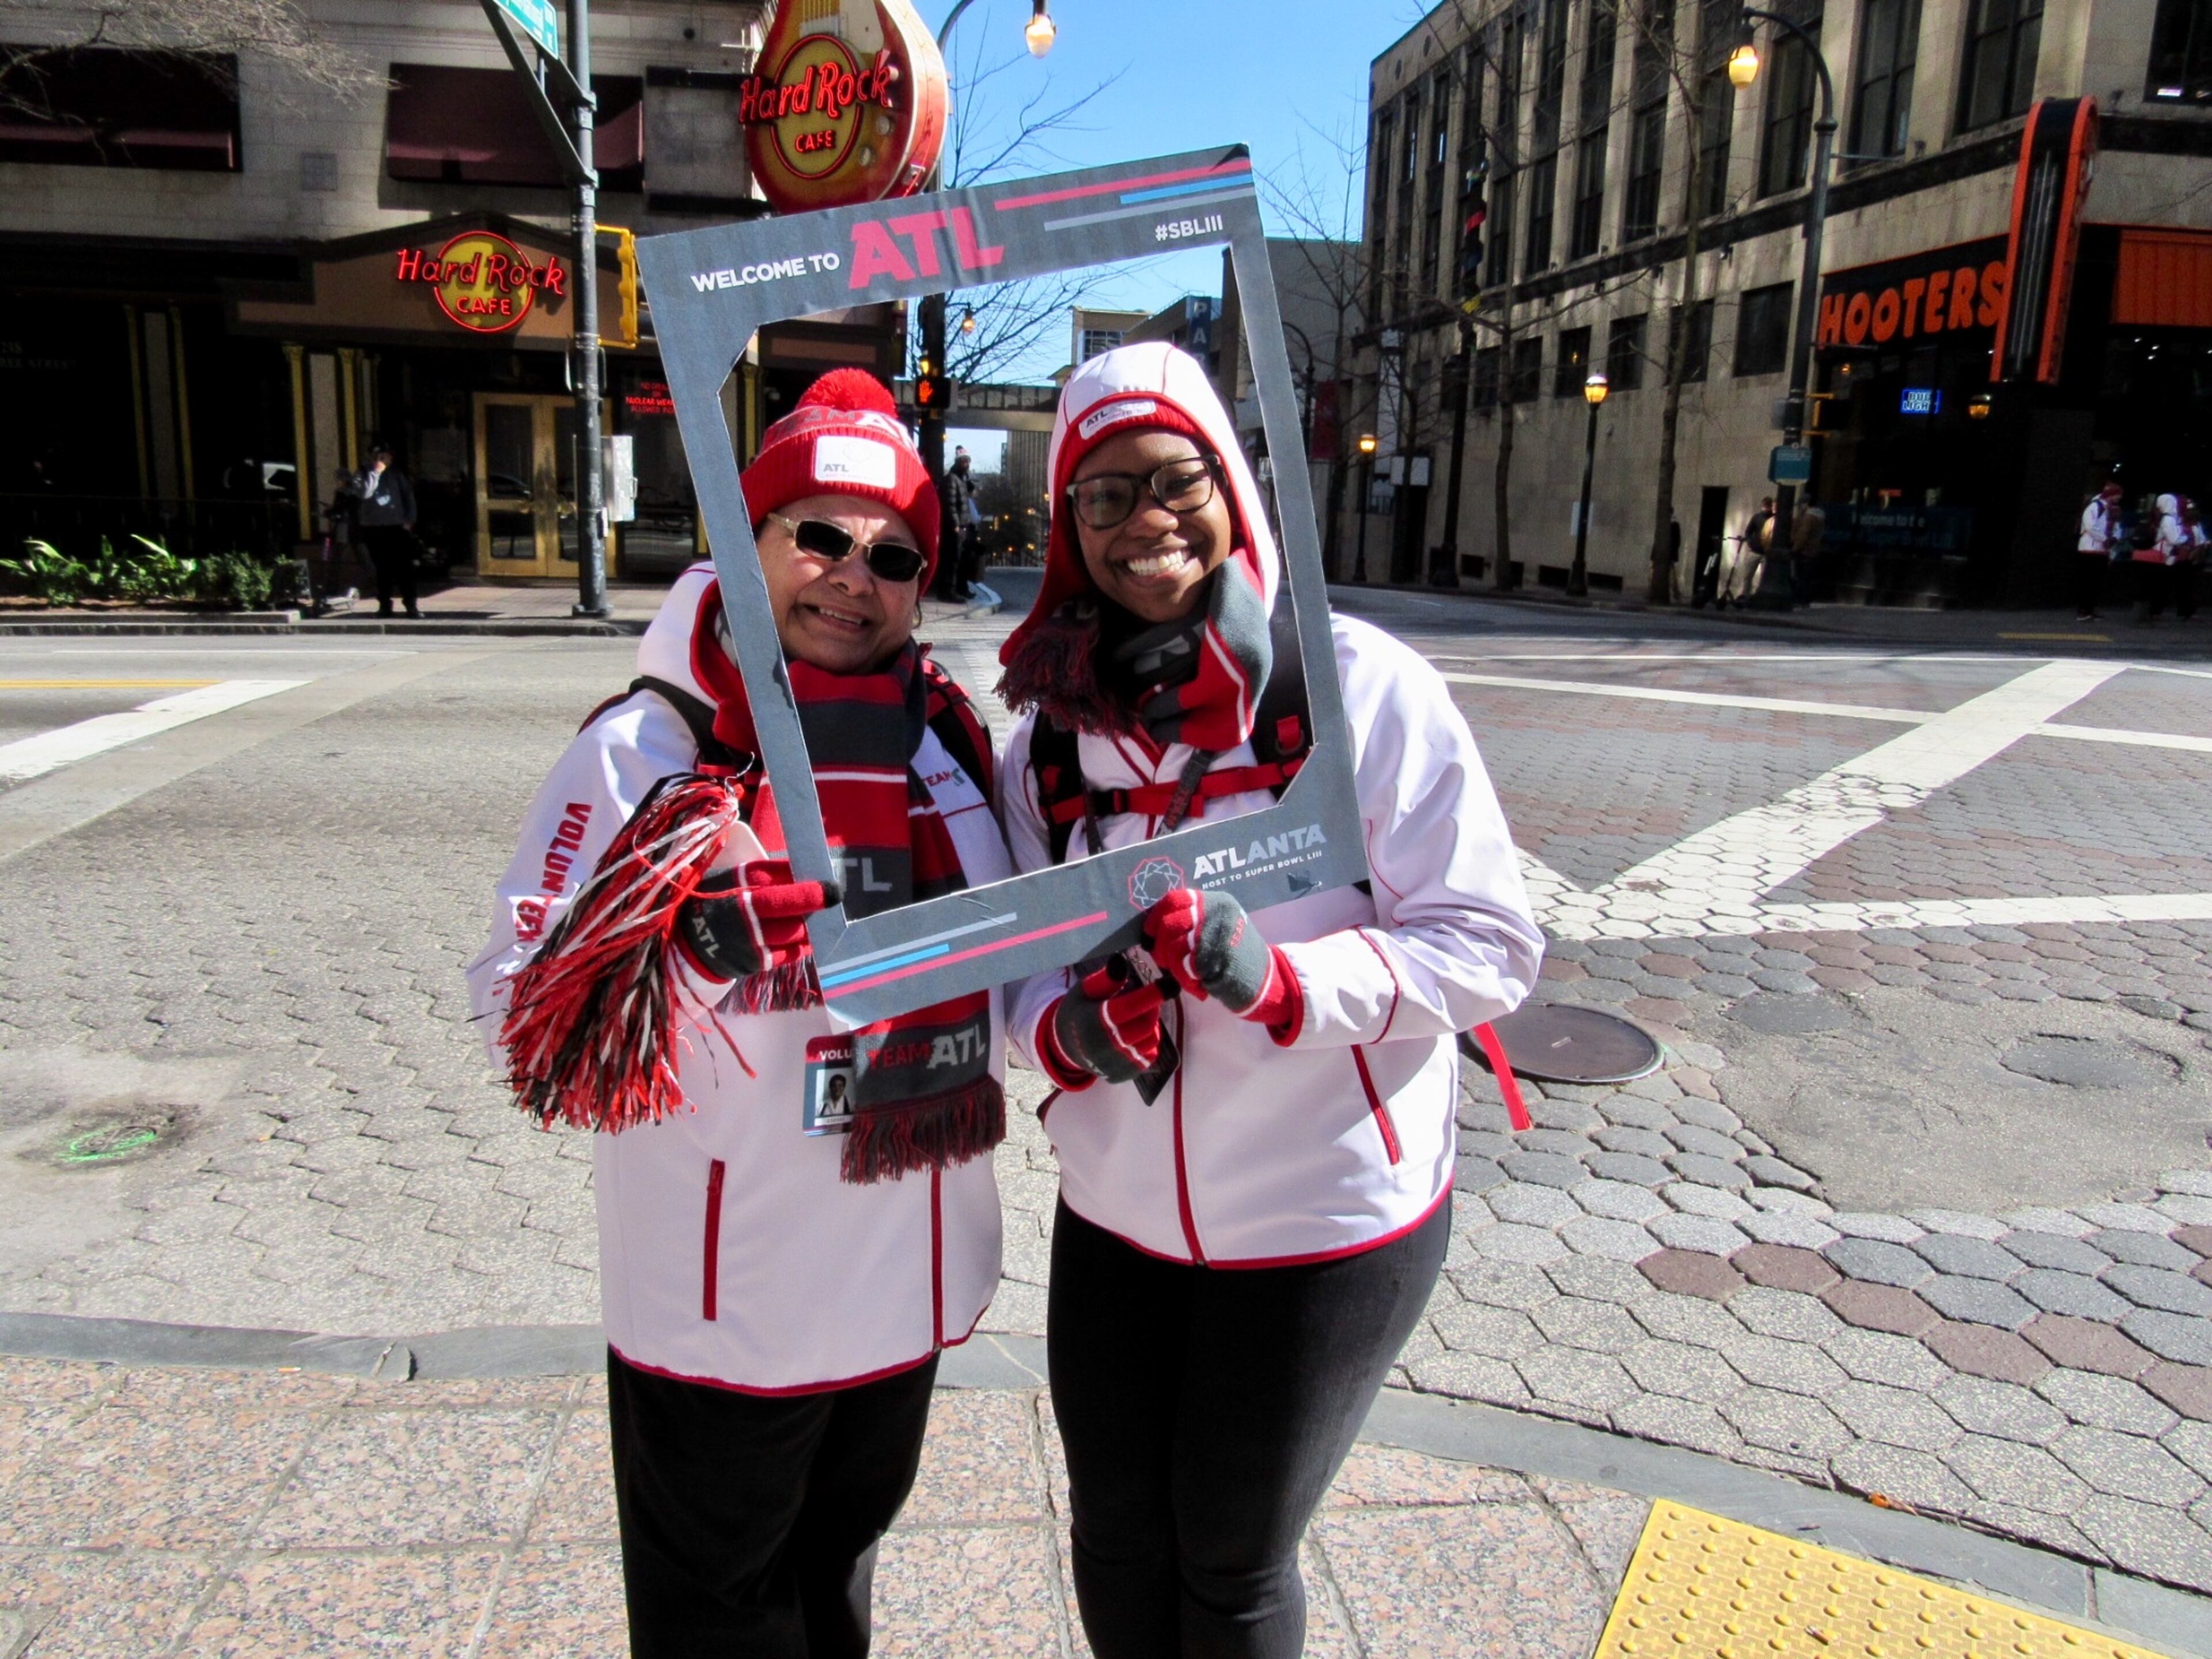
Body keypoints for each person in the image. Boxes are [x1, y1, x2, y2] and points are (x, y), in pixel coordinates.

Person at [995, 342, 1544, 1659]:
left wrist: (1288, 981)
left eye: (1172, 481)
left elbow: (1486, 944)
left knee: (1228, 1559)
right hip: (1118, 1216)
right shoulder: (1047, 736)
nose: (1143, 523)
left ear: (1234, 490)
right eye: (1104, 495)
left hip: (1325, 1219)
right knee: (1117, 1536)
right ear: (1069, 527)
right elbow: (1008, 958)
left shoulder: (1357, 687)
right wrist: (1060, 1028)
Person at [468, 368, 1012, 1658]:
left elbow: (1013, 946)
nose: (851, 576)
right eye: (817, 535)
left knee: (835, 1588)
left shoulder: (947, 744)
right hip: (730, 1304)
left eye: (892, 553)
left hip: (906, 1286)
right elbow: (512, 1000)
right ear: (749, 544)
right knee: (717, 1618)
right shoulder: (646, 753)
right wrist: (692, 951)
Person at [353, 447, 419, 618]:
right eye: (380, 457)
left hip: (396, 527)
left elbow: (408, 497)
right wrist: (376, 472)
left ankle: (411, 605)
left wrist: (409, 521)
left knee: (405, 568)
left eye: (386, 457)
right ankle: (385, 605)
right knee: (382, 569)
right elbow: (364, 493)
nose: (384, 460)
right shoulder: (362, 473)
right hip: (374, 528)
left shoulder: (397, 475)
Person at [2076, 480, 2124, 622]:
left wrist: (2115, 538)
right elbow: (2090, 527)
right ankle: (2083, 610)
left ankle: (2090, 609)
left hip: (2102, 550)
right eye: (2118, 495)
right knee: (2088, 581)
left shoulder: (2113, 510)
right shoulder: (2095, 507)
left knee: (2096, 582)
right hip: (2090, 549)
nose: (2119, 498)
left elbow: (2117, 527)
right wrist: (2105, 539)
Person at [2138, 492, 2187, 624]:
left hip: (2162, 555)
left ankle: (2149, 612)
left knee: (2157, 585)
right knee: (2161, 586)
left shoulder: (2164, 518)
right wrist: (2185, 538)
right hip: (2165, 556)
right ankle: (2153, 612)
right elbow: (2174, 539)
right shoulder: (2170, 519)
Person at [1724, 497, 1774, 608]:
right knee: (1748, 576)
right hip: (1755, 551)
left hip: (1766, 553)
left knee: (1763, 578)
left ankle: (1757, 598)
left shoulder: (1773, 519)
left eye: (1769, 506)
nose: (1767, 508)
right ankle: (1745, 596)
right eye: (1766, 506)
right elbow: (1748, 532)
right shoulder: (1757, 518)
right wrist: (1750, 542)